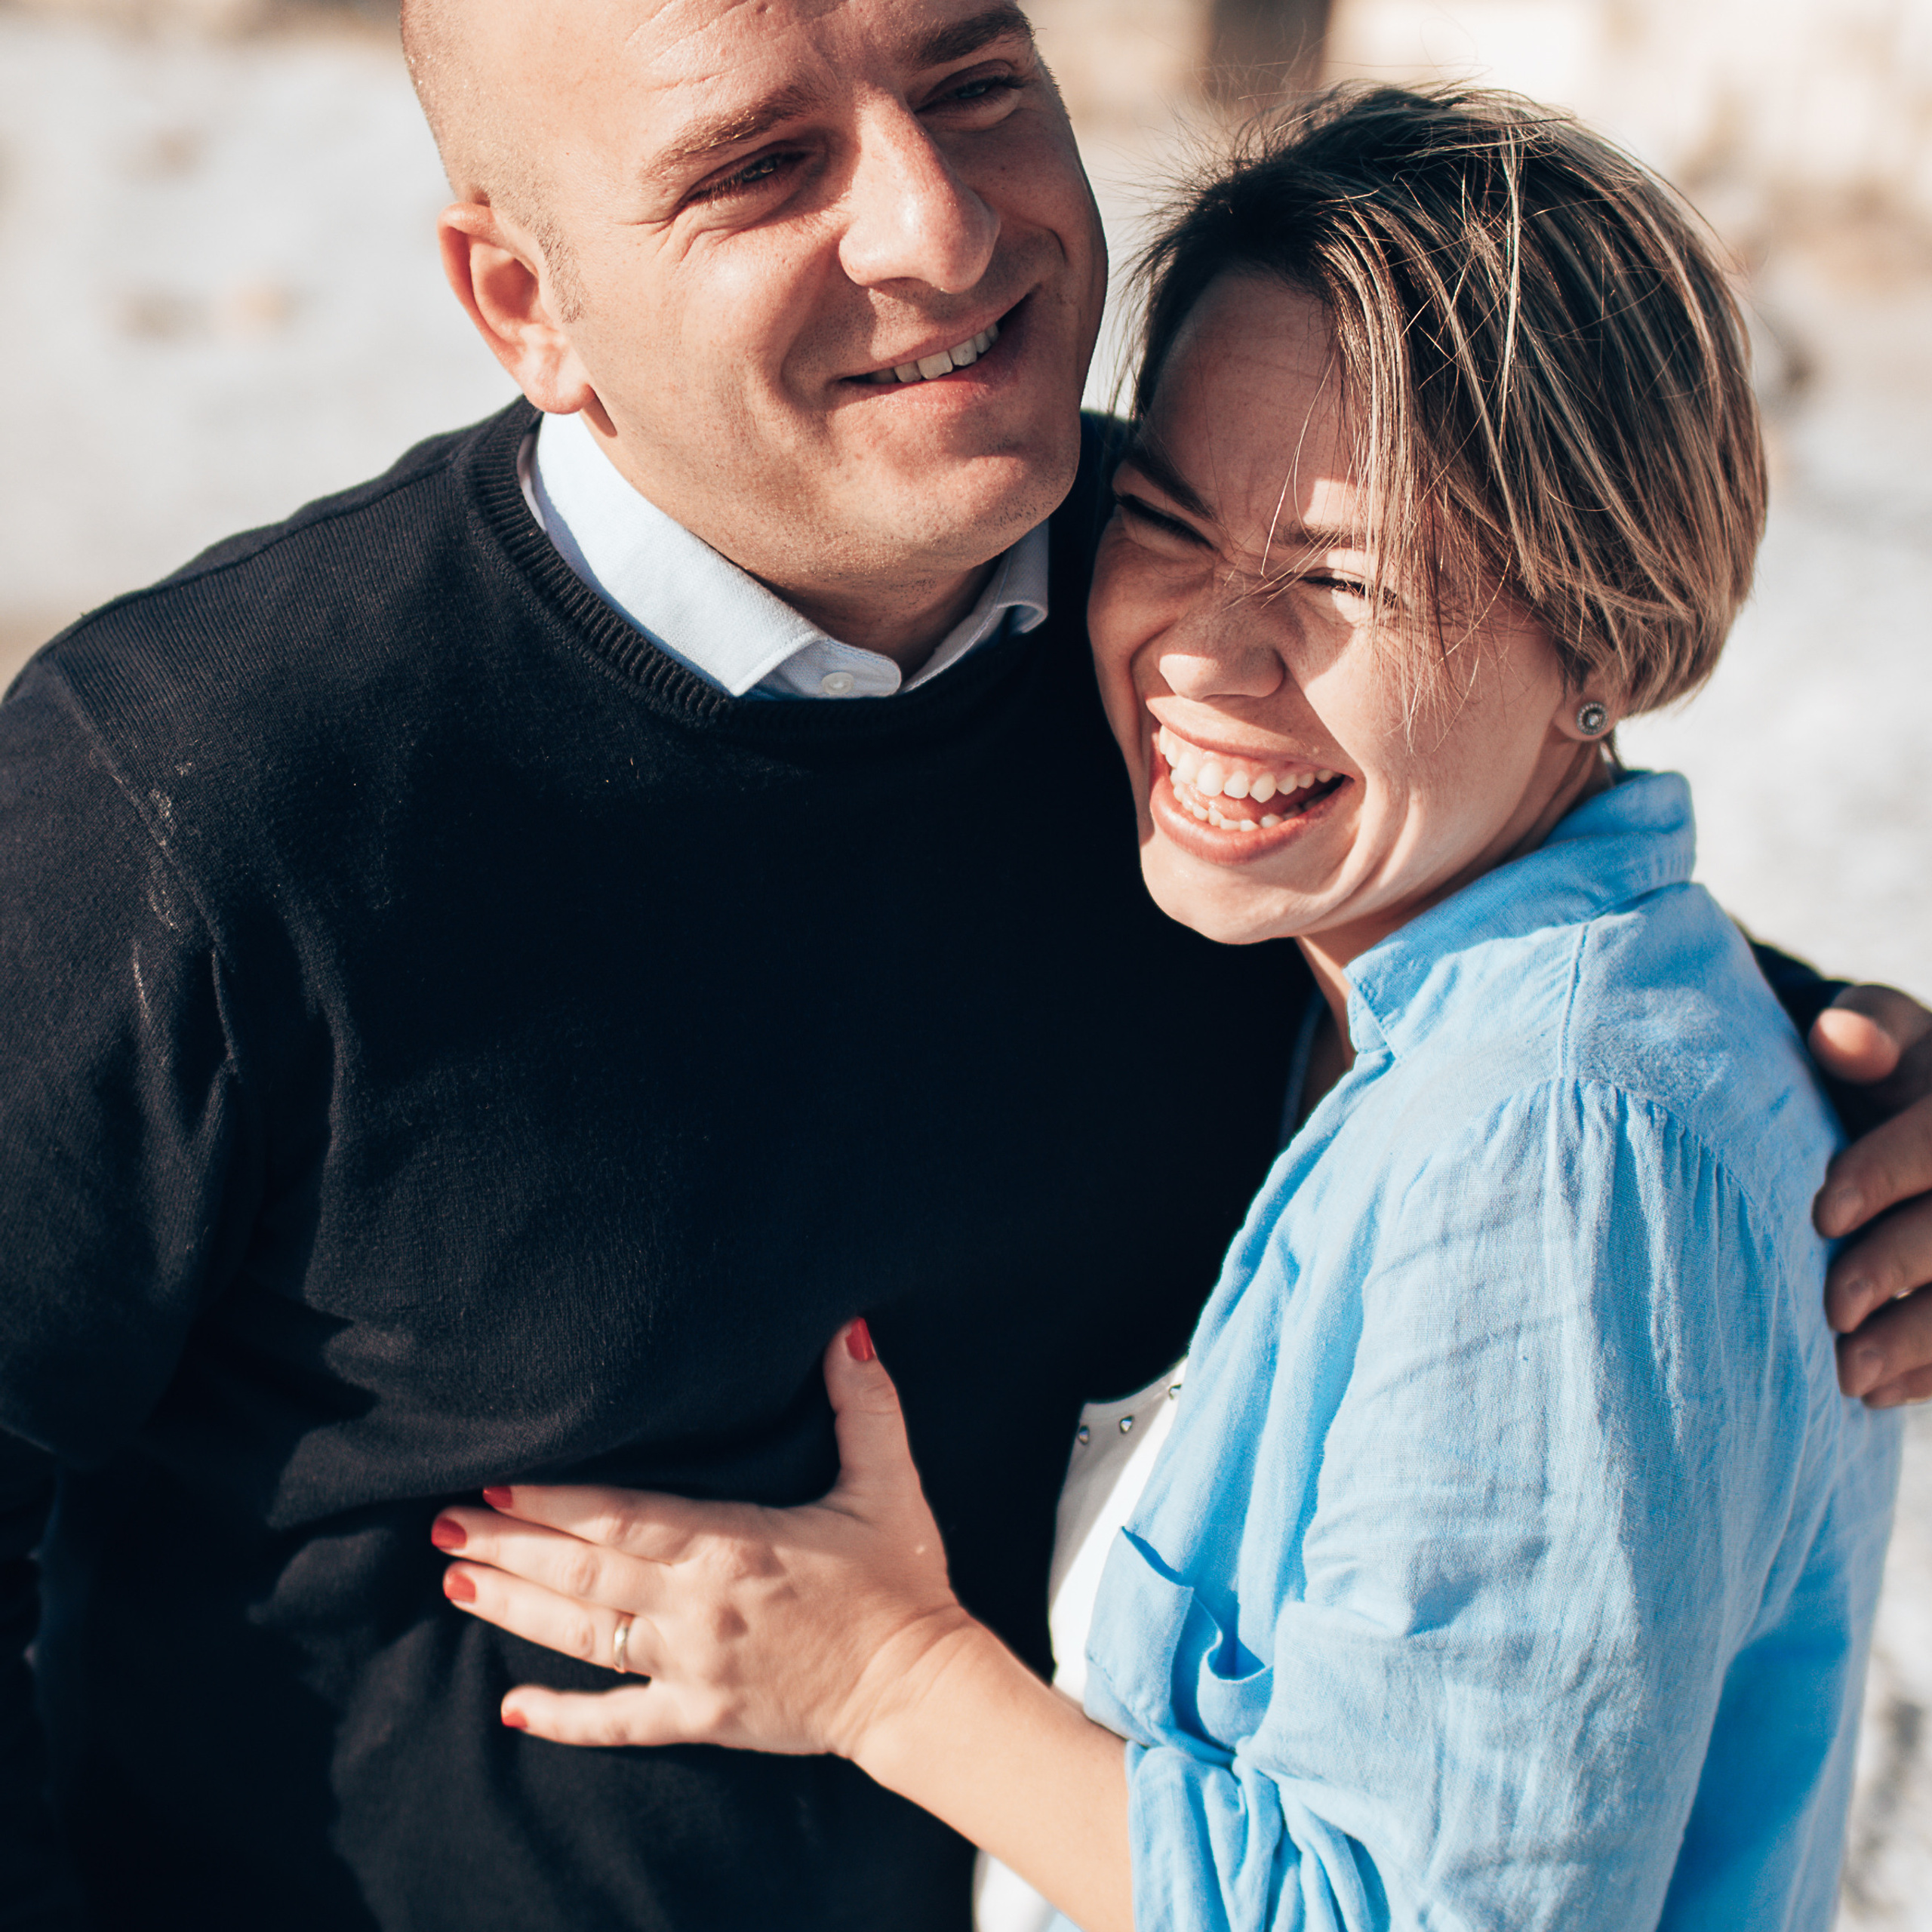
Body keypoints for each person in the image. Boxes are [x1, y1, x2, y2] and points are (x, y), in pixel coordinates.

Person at [0, 5, 1924, 1927]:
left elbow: (1513, 927)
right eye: (761, 164)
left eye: (969, 81)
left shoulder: (1170, 603)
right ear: (525, 299)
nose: (937, 226)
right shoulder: (195, 793)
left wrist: (1831, 1083)